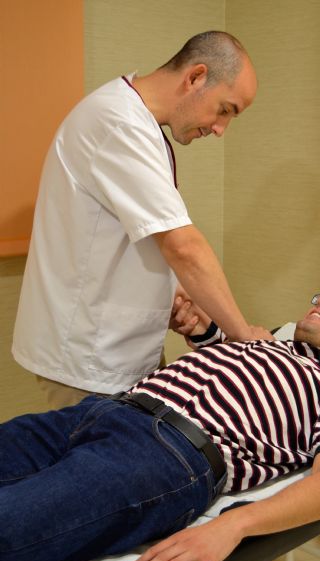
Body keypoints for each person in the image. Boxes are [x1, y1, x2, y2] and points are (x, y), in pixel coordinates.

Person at [0, 288, 320, 561]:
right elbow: (208, 335)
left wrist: (232, 526)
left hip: (167, 455)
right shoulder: (260, 344)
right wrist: (196, 323)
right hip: (100, 411)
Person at [12, 31, 267, 409]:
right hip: (89, 363)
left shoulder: (140, 124)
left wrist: (172, 298)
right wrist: (245, 337)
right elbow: (184, 247)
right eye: (225, 110)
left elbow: (130, 236)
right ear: (195, 77)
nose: (220, 129)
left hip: (124, 353)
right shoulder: (117, 122)